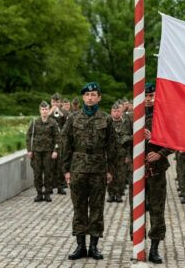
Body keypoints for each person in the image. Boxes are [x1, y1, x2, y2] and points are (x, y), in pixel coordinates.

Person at [62, 82, 117, 260]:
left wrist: (110, 170)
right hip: (77, 168)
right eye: (87, 95)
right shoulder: (73, 118)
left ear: (99, 97)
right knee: (79, 208)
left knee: (96, 208)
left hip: (99, 168)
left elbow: (112, 147)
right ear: (83, 97)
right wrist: (66, 170)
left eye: (94, 94)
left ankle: (94, 246)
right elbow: (66, 145)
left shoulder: (106, 119)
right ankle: (80, 246)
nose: (90, 98)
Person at [130, 82, 172, 263]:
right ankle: (137, 245)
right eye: (146, 96)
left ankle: (154, 248)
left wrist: (160, 153)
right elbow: (121, 138)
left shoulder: (163, 116)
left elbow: (173, 141)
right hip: (137, 171)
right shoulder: (132, 117)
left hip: (157, 171)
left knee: (156, 209)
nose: (148, 99)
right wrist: (135, 138)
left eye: (151, 96)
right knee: (137, 209)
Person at [26, 101, 60, 202]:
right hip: (36, 152)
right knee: (37, 173)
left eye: (46, 109)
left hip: (48, 152)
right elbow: (28, 137)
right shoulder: (34, 122)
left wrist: (55, 150)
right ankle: (39, 193)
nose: (44, 111)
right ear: (40, 110)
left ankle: (47, 193)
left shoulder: (53, 123)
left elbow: (57, 138)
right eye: (42, 109)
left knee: (48, 173)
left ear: (48, 110)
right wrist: (29, 150)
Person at [107, 102, 132, 203]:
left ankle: (119, 194)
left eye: (118, 111)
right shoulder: (107, 123)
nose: (116, 113)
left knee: (121, 175)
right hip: (110, 154)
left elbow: (129, 140)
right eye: (114, 111)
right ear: (111, 112)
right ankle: (111, 194)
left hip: (122, 154)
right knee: (110, 174)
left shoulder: (126, 123)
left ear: (121, 112)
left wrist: (128, 155)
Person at [49, 93, 67, 195]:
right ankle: (51, 186)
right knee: (50, 165)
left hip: (60, 142)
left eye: (57, 101)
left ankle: (60, 186)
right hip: (49, 142)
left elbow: (66, 123)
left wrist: (59, 112)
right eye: (53, 102)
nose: (55, 103)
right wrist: (51, 111)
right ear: (51, 102)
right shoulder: (48, 111)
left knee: (60, 165)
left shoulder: (63, 112)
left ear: (60, 102)